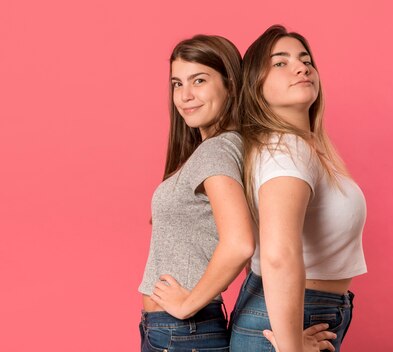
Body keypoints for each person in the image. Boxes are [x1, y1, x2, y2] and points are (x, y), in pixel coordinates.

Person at [228, 25, 367, 352]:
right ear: (256, 86)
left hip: (299, 312)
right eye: (280, 62)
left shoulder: (304, 148)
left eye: (306, 60)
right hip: (291, 319)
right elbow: (278, 256)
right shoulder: (285, 150)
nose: (302, 67)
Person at [137, 34, 253, 352]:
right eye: (177, 83)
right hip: (177, 331)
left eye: (199, 80)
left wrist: (188, 305)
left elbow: (241, 243)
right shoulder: (218, 148)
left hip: (183, 330)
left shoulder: (216, 150)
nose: (185, 95)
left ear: (230, 84)